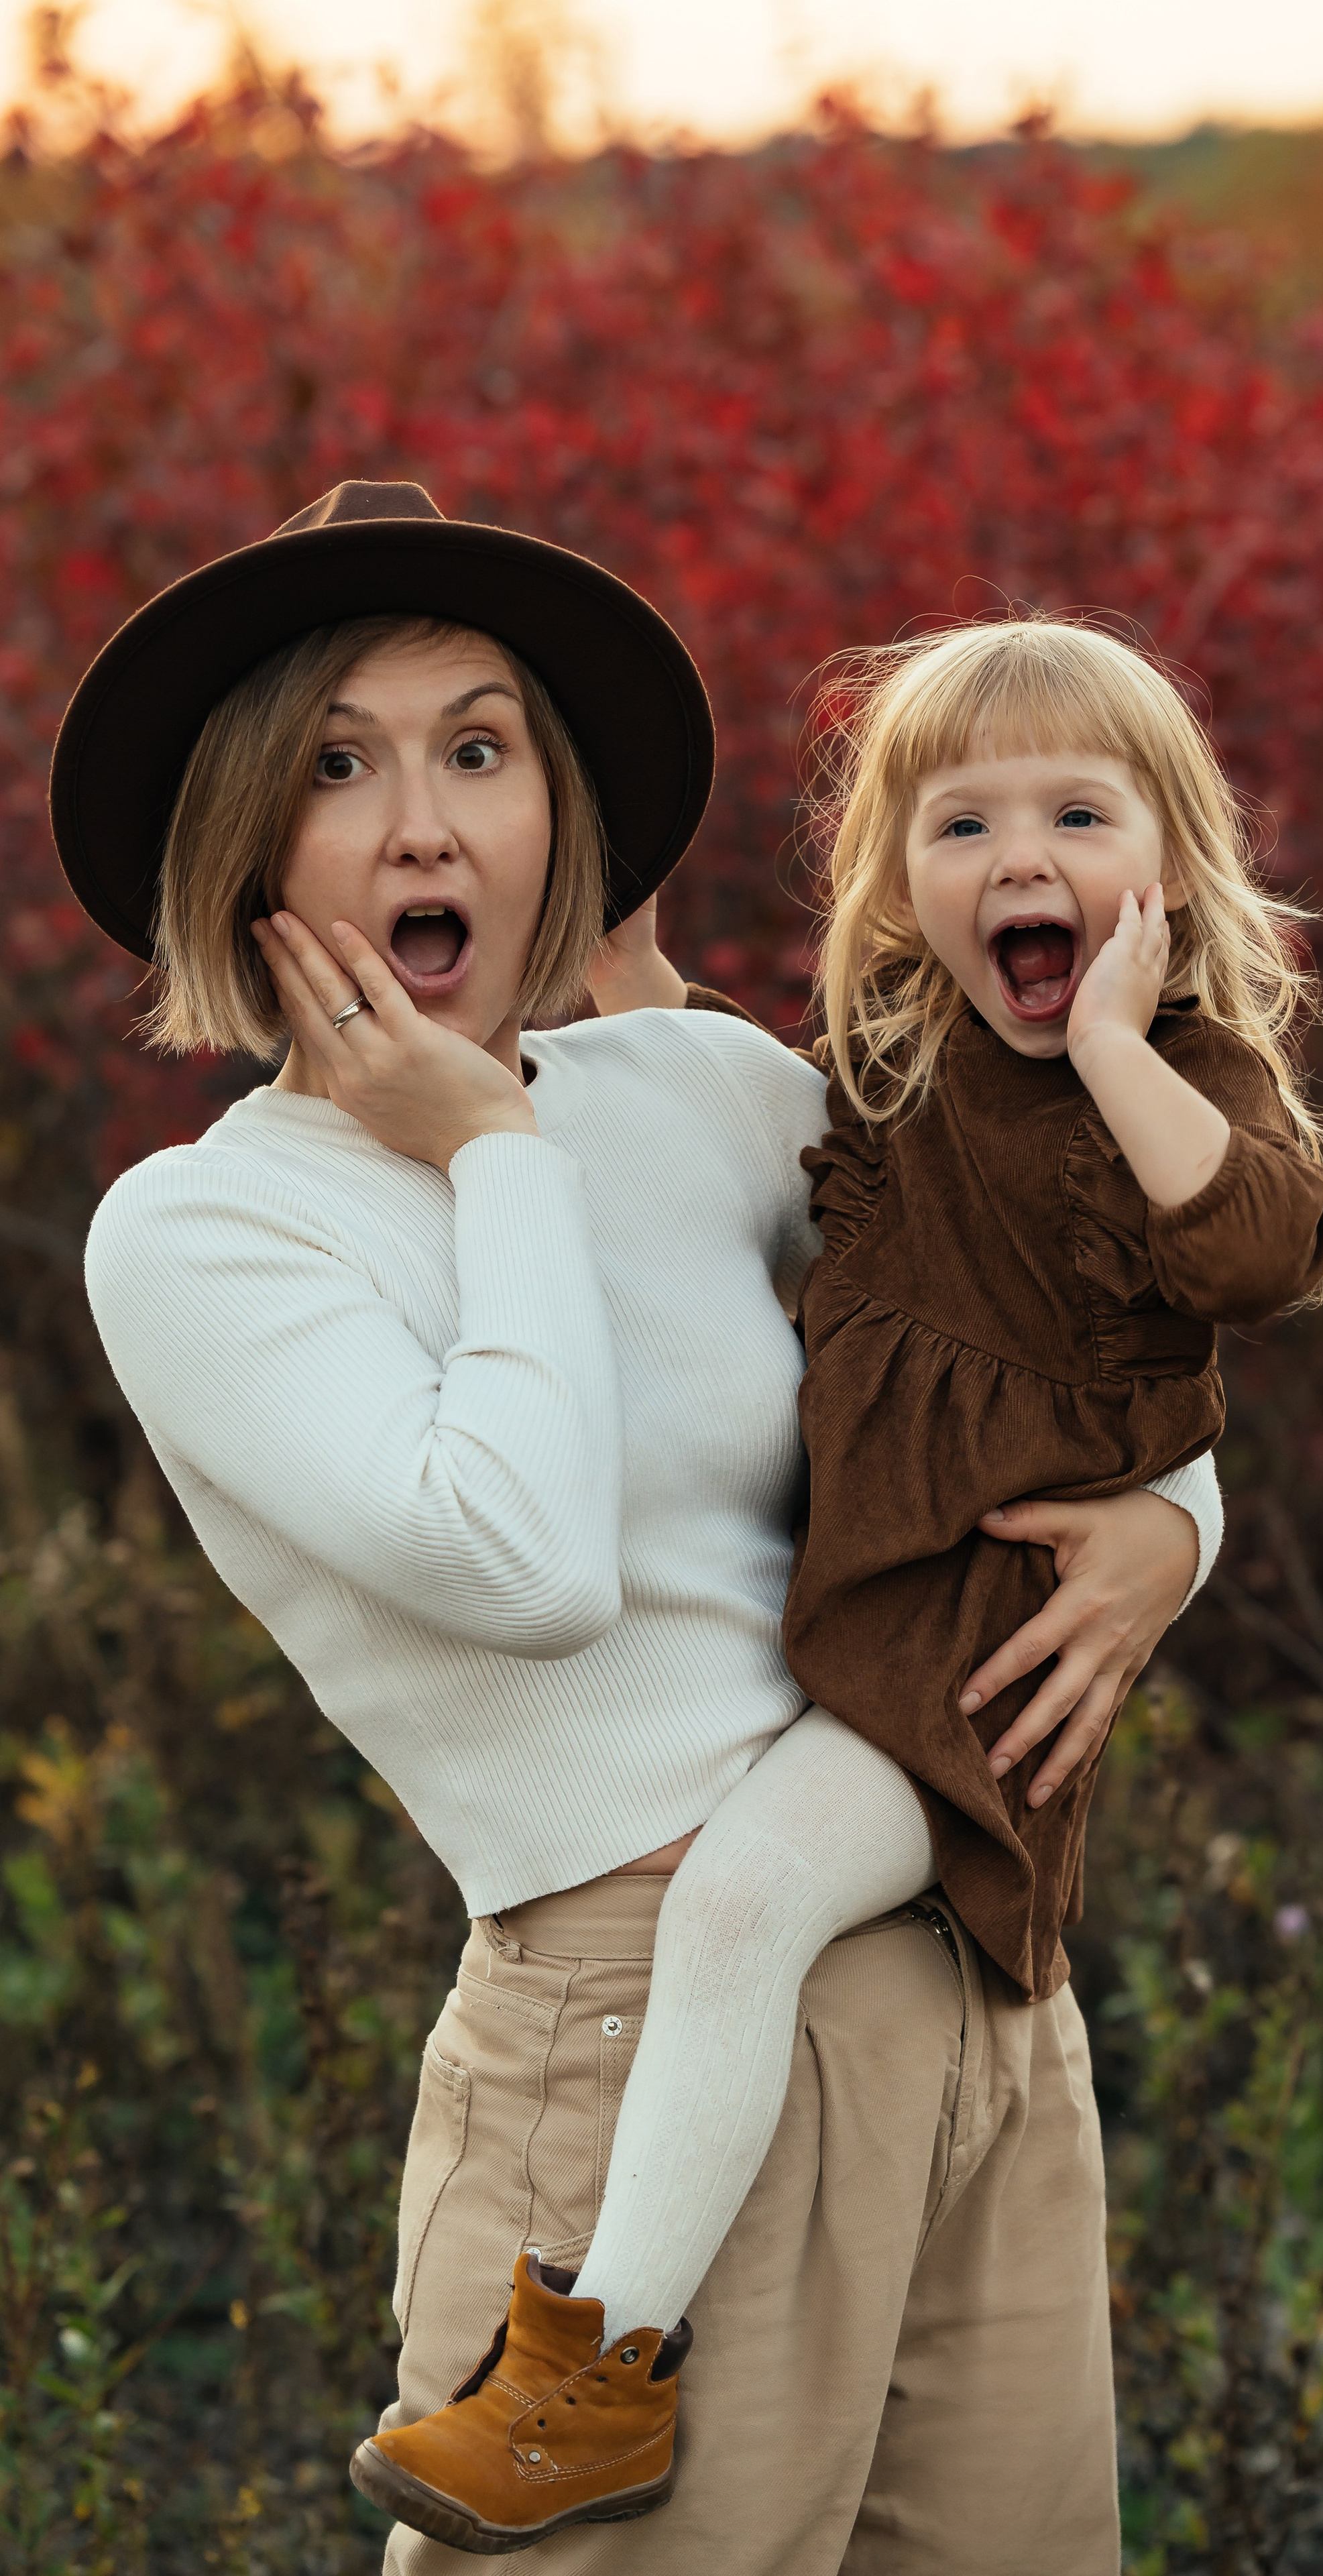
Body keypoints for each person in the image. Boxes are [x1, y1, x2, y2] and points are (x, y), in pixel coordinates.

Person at [56, 481, 1222, 2573]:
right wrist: (496, 1143)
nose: (422, 825)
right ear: (243, 841)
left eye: (478, 751)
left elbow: (1062, 1307)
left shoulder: (698, 1089)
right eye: (341, 763)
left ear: (552, 820)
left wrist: (1178, 1529)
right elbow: (519, 1560)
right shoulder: (206, 1227)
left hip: (973, 1971)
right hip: (636, 2018)